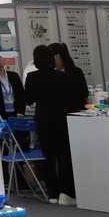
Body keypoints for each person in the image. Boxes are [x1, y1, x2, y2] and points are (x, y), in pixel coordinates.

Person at [25, 45, 75, 204]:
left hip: (43, 120)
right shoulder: (62, 76)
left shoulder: (32, 77)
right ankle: (66, 193)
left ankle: (52, 193)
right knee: (64, 156)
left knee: (48, 157)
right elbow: (70, 98)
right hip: (61, 119)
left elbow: (29, 99)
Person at [51, 43, 89, 113]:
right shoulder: (52, 74)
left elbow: (84, 93)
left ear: (58, 56)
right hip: (63, 112)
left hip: (76, 111)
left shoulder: (76, 72)